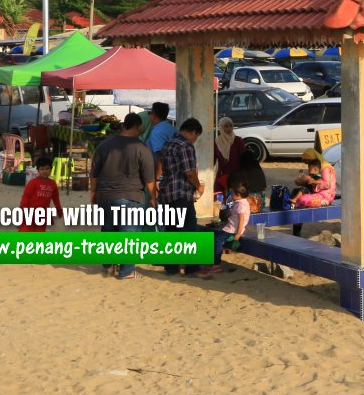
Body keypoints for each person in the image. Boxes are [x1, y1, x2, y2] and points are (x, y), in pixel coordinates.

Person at [90, 112, 156, 280]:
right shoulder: (142, 148)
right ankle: (126, 271)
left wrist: (93, 193)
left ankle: (109, 265)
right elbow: (149, 179)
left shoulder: (104, 146)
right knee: (129, 234)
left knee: (108, 231)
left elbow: (94, 174)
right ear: (139, 127)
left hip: (105, 196)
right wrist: (153, 198)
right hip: (131, 197)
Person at [157, 118, 205, 277]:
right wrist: (199, 186)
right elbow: (189, 173)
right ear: (193, 132)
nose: (195, 140)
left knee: (170, 231)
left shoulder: (167, 143)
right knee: (189, 230)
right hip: (181, 193)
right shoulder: (185, 145)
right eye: (196, 136)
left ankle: (171, 267)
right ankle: (191, 268)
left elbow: (161, 167)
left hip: (166, 194)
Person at [207, 183, 250, 274]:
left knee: (217, 240)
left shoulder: (240, 205)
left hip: (233, 229)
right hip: (232, 227)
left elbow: (241, 220)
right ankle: (213, 261)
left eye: (232, 193)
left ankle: (216, 265)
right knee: (216, 236)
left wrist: (238, 234)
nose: (231, 195)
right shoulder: (242, 202)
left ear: (238, 195)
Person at [18, 156, 63, 233]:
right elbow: (25, 198)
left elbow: (56, 199)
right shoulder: (33, 183)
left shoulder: (53, 184)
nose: (45, 171)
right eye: (42, 169)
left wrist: (59, 210)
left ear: (51, 169)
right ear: (38, 170)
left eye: (47, 169)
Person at [212, 116, 245, 195]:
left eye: (231, 126)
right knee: (219, 200)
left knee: (236, 199)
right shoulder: (217, 142)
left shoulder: (238, 140)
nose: (229, 128)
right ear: (221, 128)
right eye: (226, 126)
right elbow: (212, 160)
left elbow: (244, 158)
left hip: (236, 176)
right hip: (222, 176)